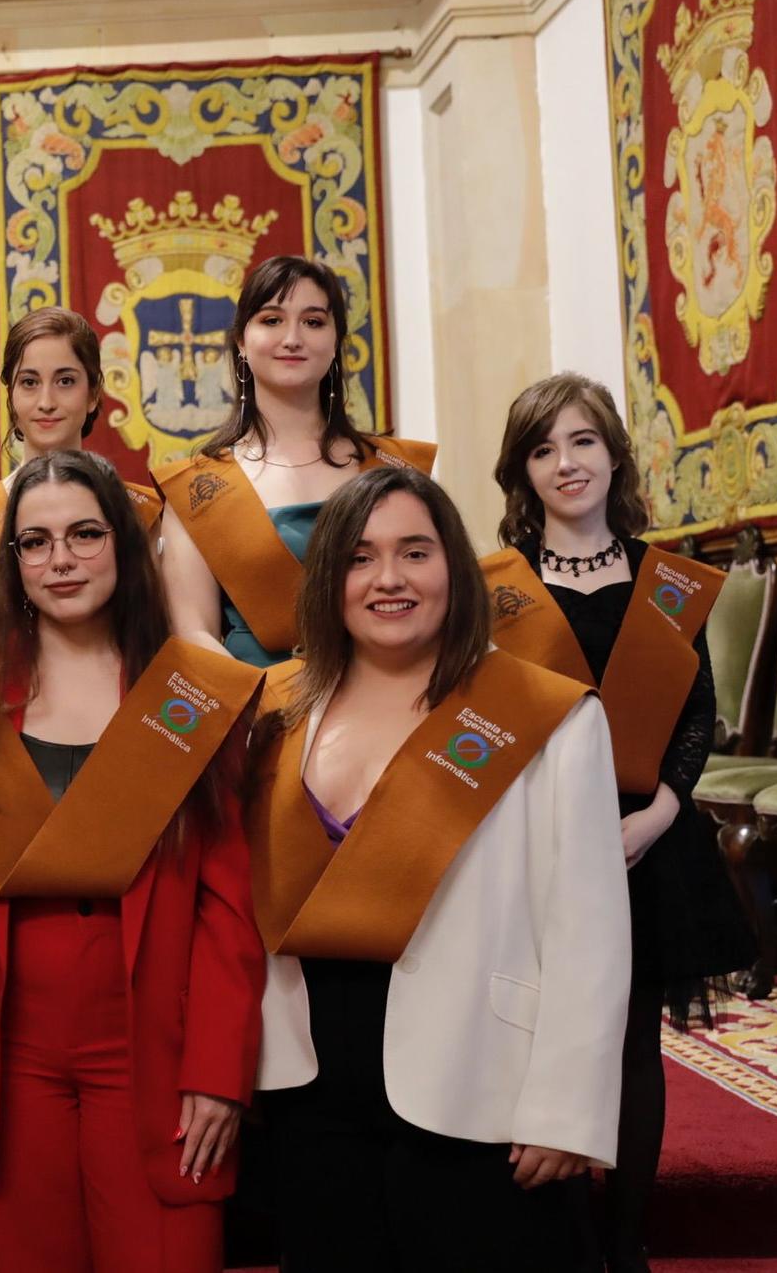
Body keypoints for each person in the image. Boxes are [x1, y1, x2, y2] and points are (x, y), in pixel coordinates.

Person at [246, 464, 630, 1271]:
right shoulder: (277, 709)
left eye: (415, 552)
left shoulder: (546, 715)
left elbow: (589, 931)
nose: (388, 578)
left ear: (454, 566)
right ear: (328, 579)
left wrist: (567, 1107)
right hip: (309, 1081)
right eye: (359, 556)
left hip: (475, 1078)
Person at [0, 450, 266, 1271]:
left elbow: (230, 907)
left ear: (126, 548)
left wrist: (218, 1070)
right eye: (35, 542)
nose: (60, 560)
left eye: (85, 535)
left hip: (154, 1053)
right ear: (12, 564)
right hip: (12, 1059)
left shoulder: (191, 694)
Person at [484, 374, 754, 1273]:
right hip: (531, 847)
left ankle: (624, 1237)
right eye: (544, 448)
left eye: (583, 441)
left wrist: (658, 816)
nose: (567, 463)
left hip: (645, 841)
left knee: (634, 1041)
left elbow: (696, 712)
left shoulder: (663, 578)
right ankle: (559, 1237)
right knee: (543, 1038)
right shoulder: (501, 589)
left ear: (612, 453)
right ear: (523, 472)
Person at [155, 255, 436, 664]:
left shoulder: (395, 468)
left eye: (313, 322)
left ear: (336, 341)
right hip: (258, 710)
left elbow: (435, 602)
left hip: (388, 701)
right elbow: (192, 630)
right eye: (272, 320)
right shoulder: (198, 487)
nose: (292, 338)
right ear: (241, 342)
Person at [0, 308, 162, 636]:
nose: (46, 401)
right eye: (29, 382)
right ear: (11, 398)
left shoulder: (141, 511)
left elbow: (158, 638)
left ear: (93, 394)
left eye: (65, 381)